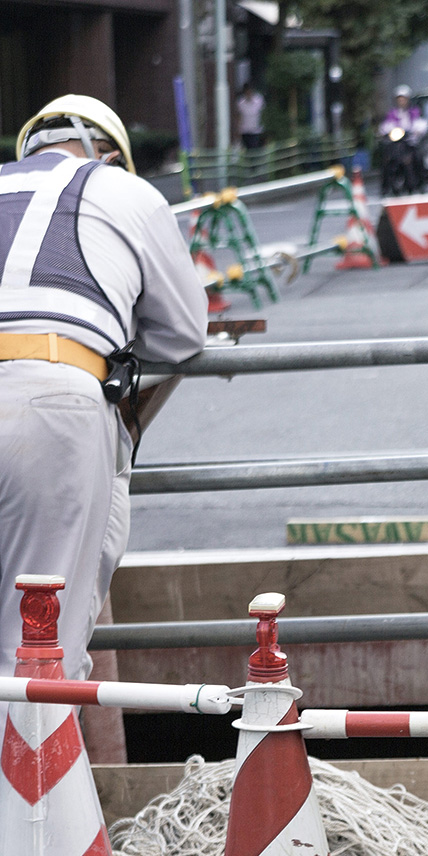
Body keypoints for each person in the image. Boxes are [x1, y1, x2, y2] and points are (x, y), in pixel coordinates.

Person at [0, 95, 207, 688]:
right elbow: (183, 334)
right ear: (110, 153)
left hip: (47, 393)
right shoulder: (125, 192)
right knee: (40, 649)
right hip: (54, 398)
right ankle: (37, 781)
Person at [378, 85, 426, 195]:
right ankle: (385, 187)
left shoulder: (414, 112)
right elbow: (385, 126)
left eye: (403, 99)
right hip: (395, 144)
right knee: (386, 159)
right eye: (399, 99)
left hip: (409, 143)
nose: (401, 101)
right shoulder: (392, 113)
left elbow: (420, 124)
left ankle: (421, 183)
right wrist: (384, 131)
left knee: (418, 158)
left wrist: (417, 131)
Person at [236, 82, 266, 151]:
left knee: (254, 149)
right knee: (247, 150)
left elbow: (263, 113)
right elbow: (239, 116)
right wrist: (238, 130)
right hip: (244, 130)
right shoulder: (241, 102)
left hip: (256, 130)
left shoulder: (259, 100)